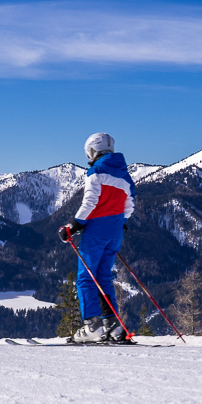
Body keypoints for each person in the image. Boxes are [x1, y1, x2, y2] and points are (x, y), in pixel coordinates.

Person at [58, 132, 135, 344]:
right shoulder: (125, 175)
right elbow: (129, 206)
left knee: (86, 278)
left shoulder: (96, 171)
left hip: (96, 232)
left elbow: (90, 202)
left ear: (93, 151)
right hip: (115, 232)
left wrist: (73, 225)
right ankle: (113, 326)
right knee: (103, 277)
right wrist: (120, 221)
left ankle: (92, 326)